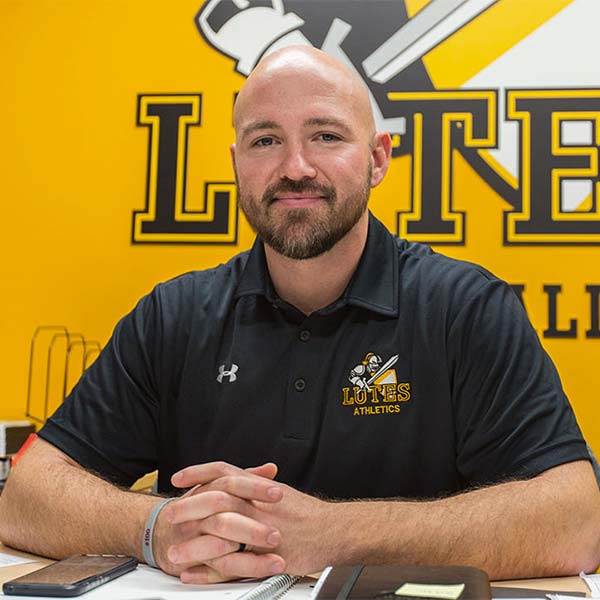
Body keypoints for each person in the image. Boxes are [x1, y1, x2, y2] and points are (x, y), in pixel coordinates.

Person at [1, 46, 599, 584]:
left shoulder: (465, 308)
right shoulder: (173, 315)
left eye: (325, 136)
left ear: (378, 158)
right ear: (237, 162)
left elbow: (577, 519)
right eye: (265, 140)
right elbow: (24, 499)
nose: (295, 167)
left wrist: (327, 535)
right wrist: (160, 524)